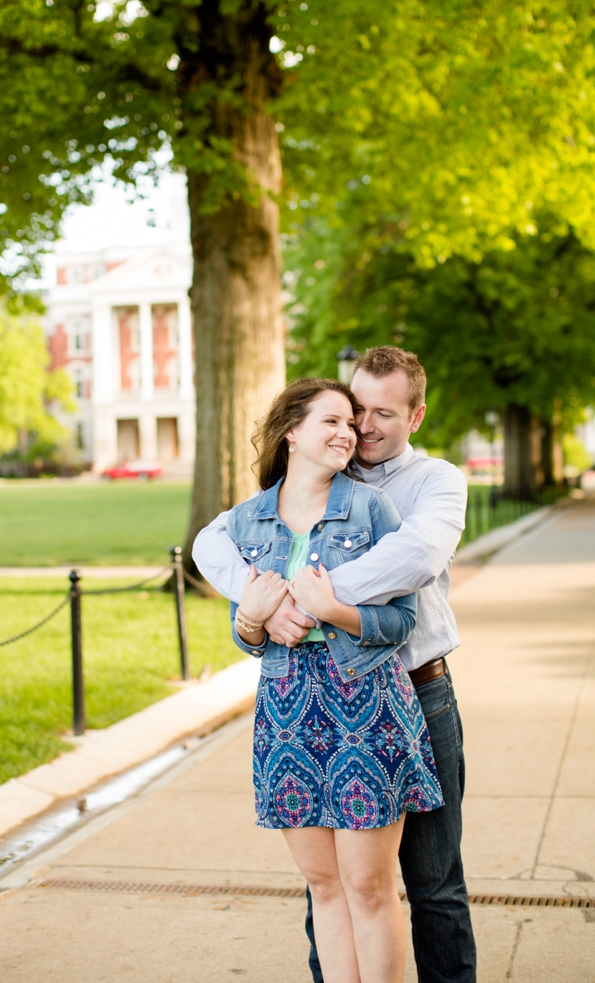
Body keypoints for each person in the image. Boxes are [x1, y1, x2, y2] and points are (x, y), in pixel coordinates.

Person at [195, 346, 474, 983]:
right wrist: (254, 613)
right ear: (296, 431)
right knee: (327, 886)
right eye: (350, 412)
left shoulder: (430, 484)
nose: (361, 427)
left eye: (378, 414)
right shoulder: (274, 503)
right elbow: (213, 543)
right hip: (296, 709)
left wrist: (316, 599)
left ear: (416, 416)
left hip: (405, 693)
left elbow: (417, 557)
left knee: (430, 885)